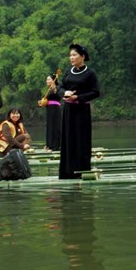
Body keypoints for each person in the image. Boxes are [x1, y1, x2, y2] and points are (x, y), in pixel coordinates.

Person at [59, 44, 101, 179]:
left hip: (82, 109)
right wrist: (65, 92)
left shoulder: (90, 73)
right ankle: (67, 171)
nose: (71, 57)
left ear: (82, 57)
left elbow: (95, 92)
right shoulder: (68, 71)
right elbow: (60, 87)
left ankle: (81, 170)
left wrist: (78, 97)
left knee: (81, 139)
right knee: (68, 139)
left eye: (74, 55)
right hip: (68, 110)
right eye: (70, 55)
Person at [42, 72, 62, 151]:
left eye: (49, 79)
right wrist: (42, 102)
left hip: (55, 109)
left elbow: (59, 96)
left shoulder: (58, 87)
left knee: (55, 126)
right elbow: (46, 99)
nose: (47, 81)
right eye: (46, 79)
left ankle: (55, 145)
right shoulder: (48, 89)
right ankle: (49, 144)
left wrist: (55, 89)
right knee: (49, 126)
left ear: (53, 80)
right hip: (49, 109)